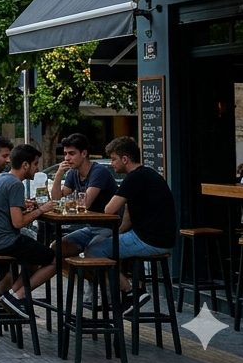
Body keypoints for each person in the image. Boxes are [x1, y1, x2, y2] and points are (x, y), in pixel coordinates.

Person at [85, 136, 178, 312]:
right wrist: (117, 235)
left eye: (113, 159)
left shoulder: (134, 178)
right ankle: (123, 295)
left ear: (125, 159)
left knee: (93, 251)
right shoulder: (147, 174)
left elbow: (109, 210)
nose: (111, 164)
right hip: (160, 239)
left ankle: (130, 292)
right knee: (106, 247)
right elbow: (128, 215)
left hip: (149, 240)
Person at [0, 143, 58, 318]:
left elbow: (8, 212)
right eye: (36, 164)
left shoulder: (0, 178)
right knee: (55, 260)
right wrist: (41, 210)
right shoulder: (15, 184)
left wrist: (25, 207)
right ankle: (15, 296)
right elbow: (18, 223)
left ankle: (4, 294)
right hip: (3, 241)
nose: (37, 169)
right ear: (25, 165)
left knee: (34, 257)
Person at [50, 133, 119, 257]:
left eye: (71, 153)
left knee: (90, 253)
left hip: (108, 228)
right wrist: (58, 175)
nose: (67, 158)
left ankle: (101, 275)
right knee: (56, 248)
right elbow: (56, 200)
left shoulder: (99, 172)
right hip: (90, 227)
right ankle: (79, 275)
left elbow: (85, 203)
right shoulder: (73, 173)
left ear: (84, 153)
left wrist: (67, 203)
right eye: (65, 154)